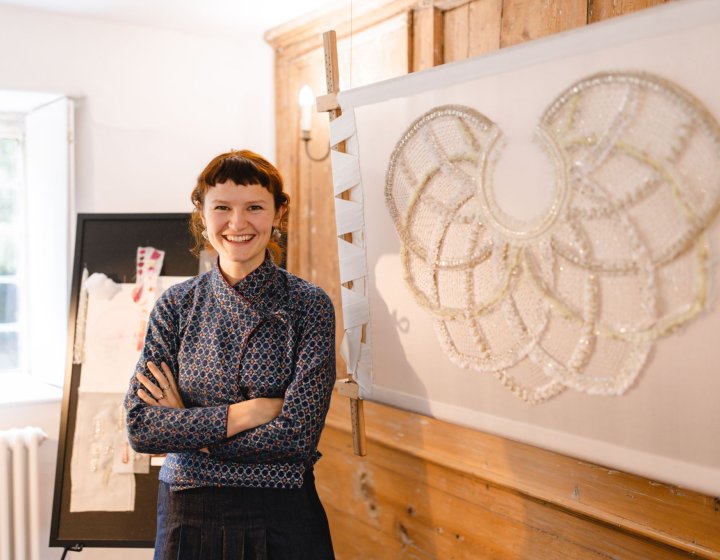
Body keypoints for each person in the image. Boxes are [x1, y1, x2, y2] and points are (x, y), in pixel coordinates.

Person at [124, 149, 336, 559]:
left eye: (254, 207)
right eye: (222, 208)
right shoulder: (176, 305)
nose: (237, 224)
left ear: (278, 213)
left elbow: (297, 436)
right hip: (189, 510)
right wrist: (249, 413)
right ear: (202, 215)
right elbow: (142, 427)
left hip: (283, 513)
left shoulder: (309, 305)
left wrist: (191, 433)